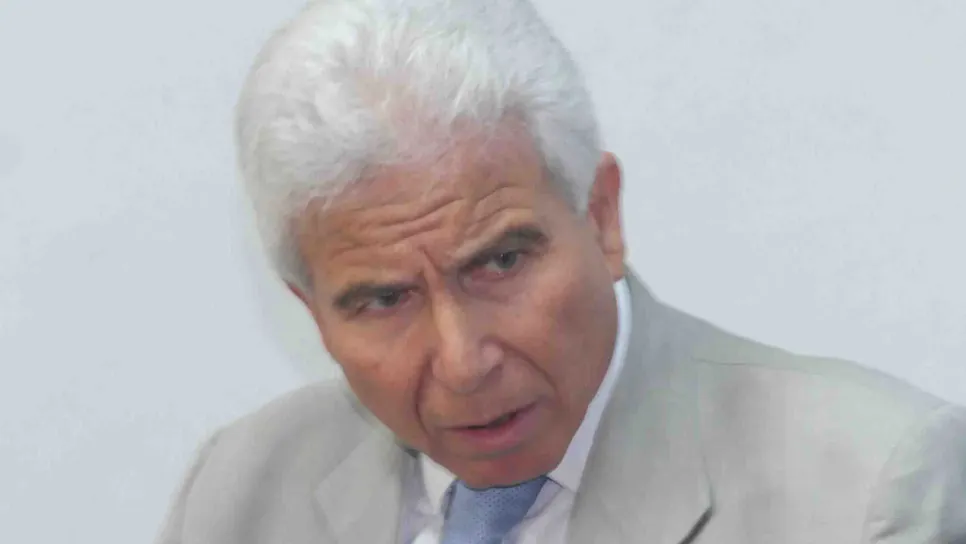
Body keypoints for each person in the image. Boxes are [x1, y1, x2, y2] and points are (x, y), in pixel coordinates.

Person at [156, 0, 966, 542]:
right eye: (383, 300)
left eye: (501, 262)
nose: (464, 362)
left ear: (602, 216)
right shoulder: (240, 493)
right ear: (312, 312)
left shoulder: (869, 490)